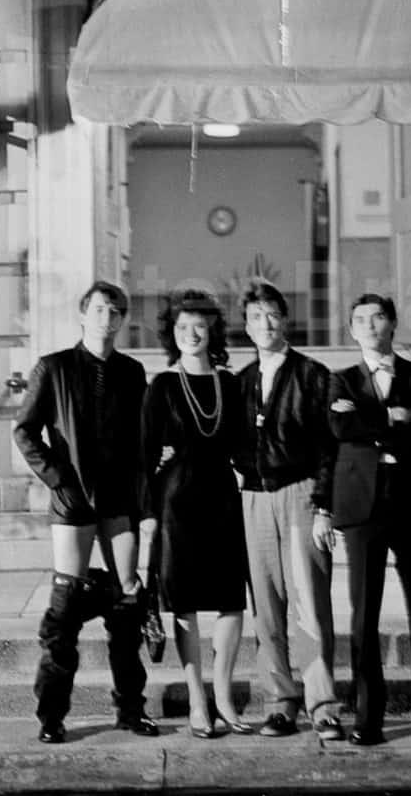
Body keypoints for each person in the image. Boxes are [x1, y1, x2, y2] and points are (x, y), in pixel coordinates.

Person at [13, 281, 158, 744]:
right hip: (73, 501)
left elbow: (140, 441)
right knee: (65, 607)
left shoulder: (132, 372)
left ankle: (131, 710)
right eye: (99, 309)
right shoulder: (53, 368)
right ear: (83, 315)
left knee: (126, 604)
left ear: (122, 320)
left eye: (116, 310)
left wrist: (143, 497)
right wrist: (57, 476)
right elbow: (25, 431)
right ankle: (51, 716)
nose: (107, 317)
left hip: (119, 502)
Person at [328, 293, 411, 747]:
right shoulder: (340, 379)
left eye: (378, 317)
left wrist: (367, 421)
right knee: (364, 615)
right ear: (350, 330)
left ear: (393, 324)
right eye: (359, 319)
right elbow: (339, 431)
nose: (369, 325)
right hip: (362, 507)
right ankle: (369, 718)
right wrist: (388, 415)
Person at [233, 280, 342, 741]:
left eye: (273, 315)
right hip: (255, 498)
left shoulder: (313, 375)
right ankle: (279, 703)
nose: (265, 324)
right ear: (246, 325)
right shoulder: (241, 381)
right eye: (256, 317)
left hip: (301, 494)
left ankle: (323, 706)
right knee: (267, 610)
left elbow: (329, 446)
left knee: (309, 606)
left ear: (286, 319)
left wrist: (323, 506)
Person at [143, 288, 249, 739]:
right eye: (182, 327)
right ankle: (198, 702)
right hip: (177, 502)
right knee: (183, 604)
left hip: (222, 498)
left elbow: (245, 448)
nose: (191, 334)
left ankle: (224, 696)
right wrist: (146, 515)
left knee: (230, 601)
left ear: (213, 331)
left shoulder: (231, 384)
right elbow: (145, 455)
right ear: (173, 333)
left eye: (199, 326)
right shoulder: (162, 385)